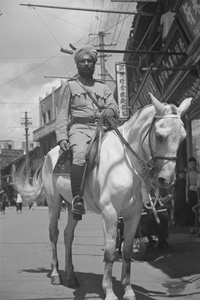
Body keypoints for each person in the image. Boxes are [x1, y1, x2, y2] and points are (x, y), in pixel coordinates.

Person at [55, 44, 119, 220]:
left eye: (89, 61)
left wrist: (111, 111)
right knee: (80, 154)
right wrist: (61, 138)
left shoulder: (103, 87)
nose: (86, 63)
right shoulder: (69, 86)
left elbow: (114, 105)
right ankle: (77, 199)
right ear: (77, 64)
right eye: (82, 61)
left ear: (94, 64)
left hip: (102, 129)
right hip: (80, 129)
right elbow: (61, 114)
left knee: (122, 150)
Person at [186, 157, 199, 233]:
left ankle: (198, 227)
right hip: (191, 192)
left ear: (196, 164)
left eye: (193, 164)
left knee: (197, 209)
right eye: (190, 164)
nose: (192, 165)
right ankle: (192, 227)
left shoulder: (198, 173)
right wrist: (186, 196)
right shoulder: (188, 174)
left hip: (197, 192)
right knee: (191, 210)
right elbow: (187, 186)